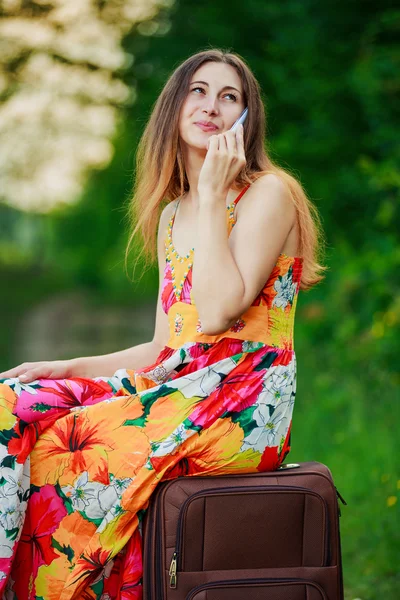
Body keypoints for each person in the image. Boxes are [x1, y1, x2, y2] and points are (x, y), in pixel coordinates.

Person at [0, 48, 326, 599]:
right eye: (198, 91)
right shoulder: (175, 213)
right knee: (14, 399)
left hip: (242, 404)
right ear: (174, 108)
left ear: (246, 121)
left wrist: (214, 195)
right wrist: (68, 366)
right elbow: (163, 344)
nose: (212, 107)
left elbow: (221, 310)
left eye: (230, 97)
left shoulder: (269, 193)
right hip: (180, 383)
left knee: (65, 454)